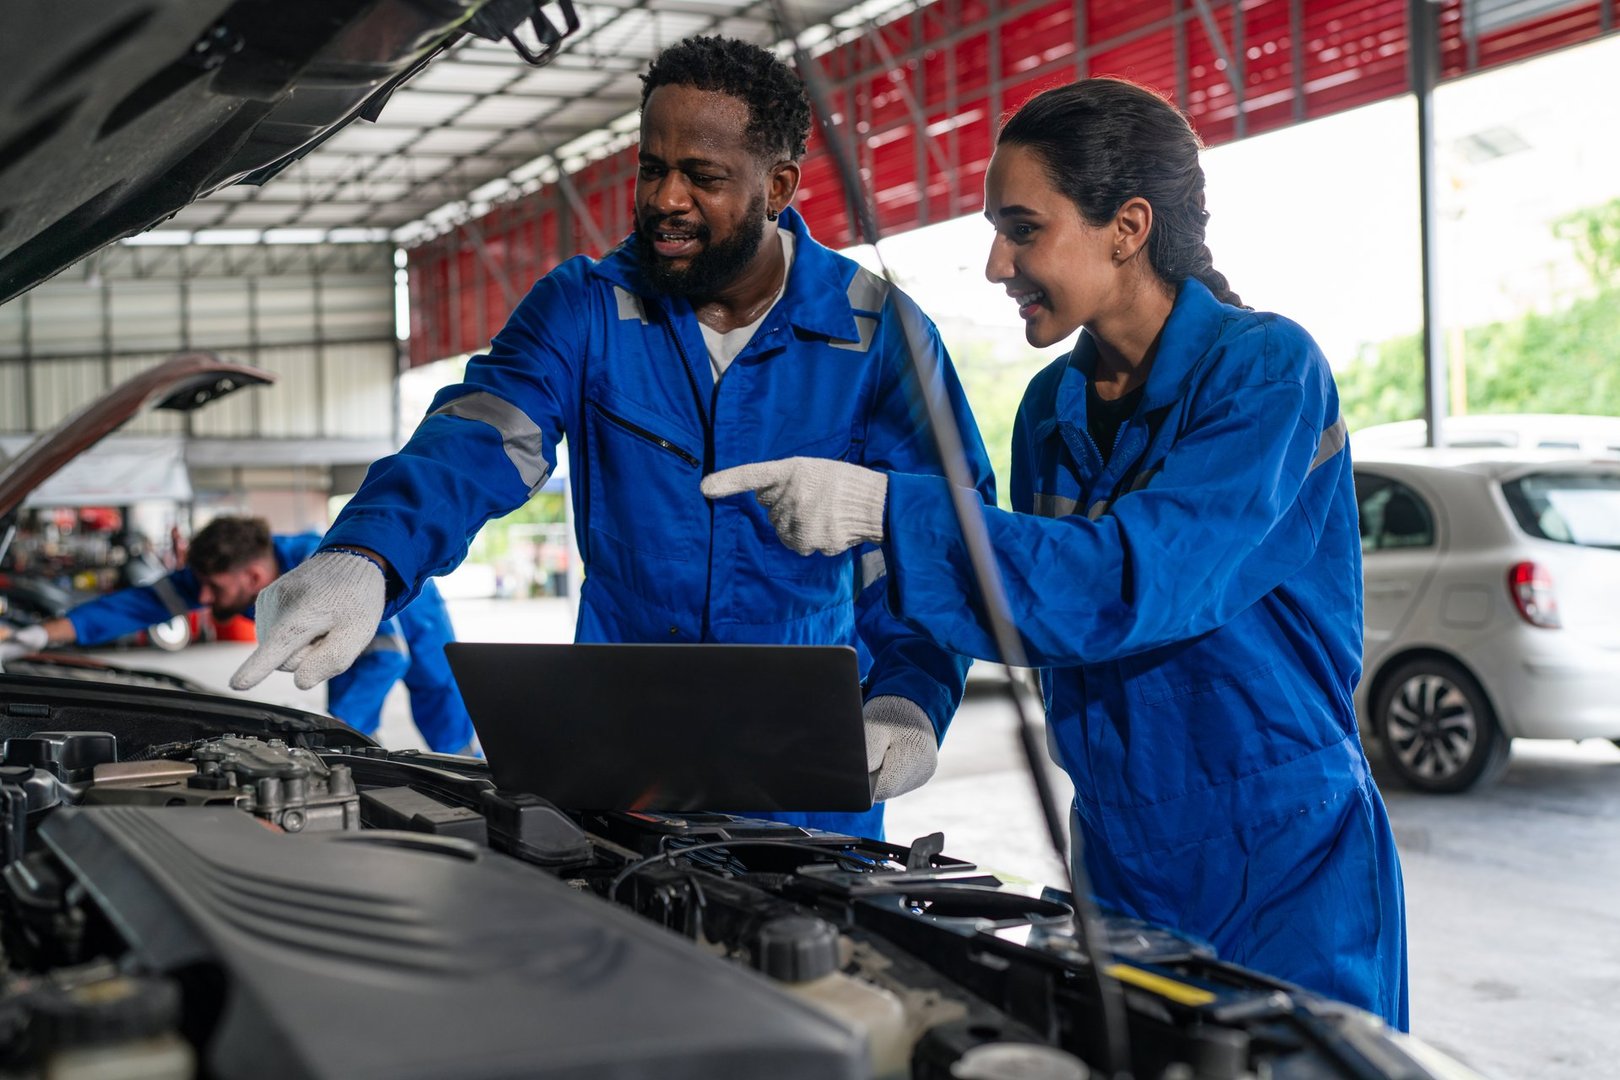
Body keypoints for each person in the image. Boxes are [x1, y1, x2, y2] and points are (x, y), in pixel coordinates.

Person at [701, 78, 1408, 1028]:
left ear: (1128, 226)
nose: (996, 261)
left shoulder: (1268, 372)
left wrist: (884, 510)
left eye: (1022, 228)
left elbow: (1133, 580)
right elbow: (1035, 605)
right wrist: (908, 698)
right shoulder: (1050, 410)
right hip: (1116, 851)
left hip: (1279, 856)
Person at [228, 35, 996, 839]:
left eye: (701, 176)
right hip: (621, 754)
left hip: (803, 756)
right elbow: (478, 438)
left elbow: (936, 535)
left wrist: (913, 697)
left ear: (777, 187)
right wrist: (371, 555)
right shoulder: (585, 309)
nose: (666, 198)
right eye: (651, 167)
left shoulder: (876, 336)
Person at [0, 516, 476, 754]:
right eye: (200, 586)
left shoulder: (316, 568)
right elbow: (134, 605)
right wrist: (37, 637)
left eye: (214, 589)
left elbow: (386, 654)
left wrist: (335, 729)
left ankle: (471, 775)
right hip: (373, 643)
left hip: (414, 615)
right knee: (348, 720)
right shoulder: (217, 575)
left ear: (252, 578)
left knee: (440, 700)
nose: (202, 599)